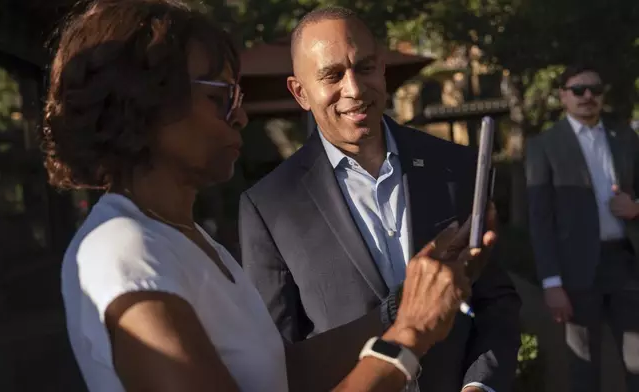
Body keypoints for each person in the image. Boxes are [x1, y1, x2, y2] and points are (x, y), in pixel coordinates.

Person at [45, 1, 497, 391]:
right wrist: (409, 336)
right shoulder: (125, 252)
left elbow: (283, 375)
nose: (240, 116)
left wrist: (405, 304)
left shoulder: (191, 240)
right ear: (145, 105)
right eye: (221, 96)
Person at [239, 6, 521, 392]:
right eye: (332, 75)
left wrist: (480, 386)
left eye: (365, 67)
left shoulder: (456, 167)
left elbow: (496, 302)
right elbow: (278, 357)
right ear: (300, 92)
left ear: (383, 69)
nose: (354, 88)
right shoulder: (268, 206)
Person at [526, 64, 639, 391]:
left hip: (626, 264)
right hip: (575, 273)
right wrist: (551, 282)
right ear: (563, 96)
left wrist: (635, 208)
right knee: (583, 368)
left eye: (595, 90)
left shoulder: (625, 136)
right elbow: (539, 220)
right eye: (579, 90)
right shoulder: (544, 146)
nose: (587, 96)